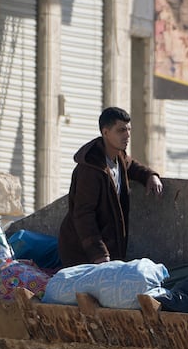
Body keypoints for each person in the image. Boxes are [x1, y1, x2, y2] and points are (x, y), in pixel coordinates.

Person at [57, 106, 164, 269]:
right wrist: (98, 253)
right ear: (105, 132)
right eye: (121, 130)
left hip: (108, 253)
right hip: (83, 255)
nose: (127, 135)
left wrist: (150, 176)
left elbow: (132, 166)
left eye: (128, 129)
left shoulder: (118, 156)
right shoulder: (91, 169)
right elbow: (83, 214)